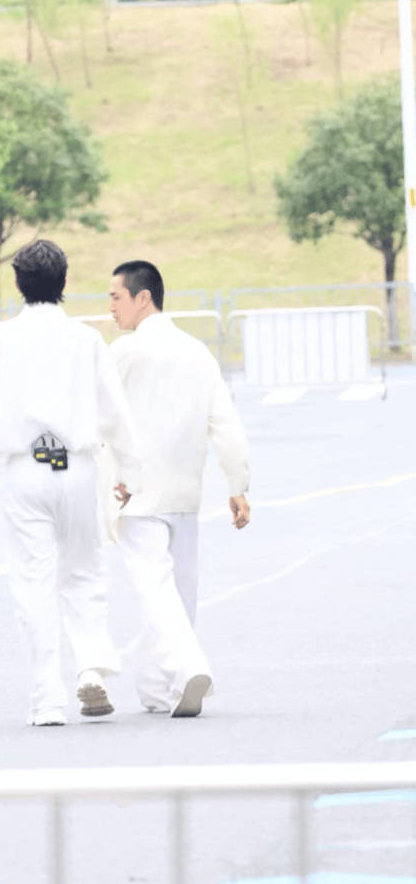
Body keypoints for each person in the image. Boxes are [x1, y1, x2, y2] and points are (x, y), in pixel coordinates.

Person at [0, 239, 141, 727]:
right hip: (78, 466)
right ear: (64, 282)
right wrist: (129, 471)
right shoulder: (86, 340)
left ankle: (47, 700)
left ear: (18, 284)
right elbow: (115, 413)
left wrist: (5, 436)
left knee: (32, 580)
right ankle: (91, 669)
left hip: (25, 468)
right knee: (84, 572)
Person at [108, 260, 250, 718]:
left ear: (143, 297)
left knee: (155, 589)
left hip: (136, 494)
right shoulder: (197, 352)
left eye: (116, 297)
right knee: (181, 591)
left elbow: (100, 419)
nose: (111, 307)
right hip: (186, 491)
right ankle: (158, 689)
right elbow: (224, 422)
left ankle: (188, 669)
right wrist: (237, 484)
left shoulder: (125, 352)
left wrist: (104, 478)